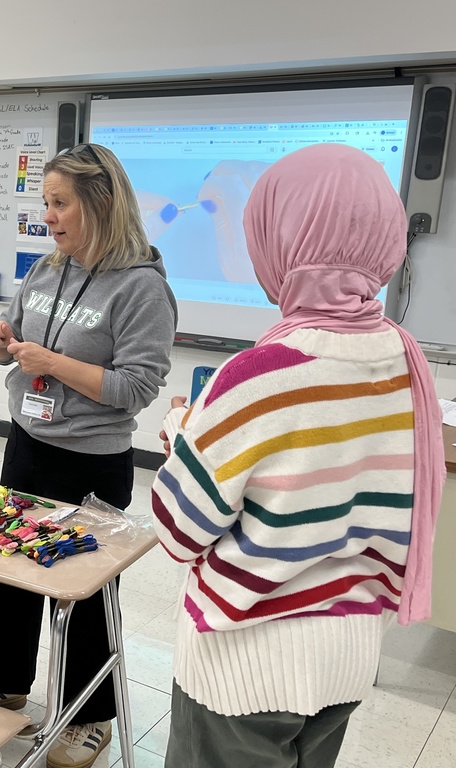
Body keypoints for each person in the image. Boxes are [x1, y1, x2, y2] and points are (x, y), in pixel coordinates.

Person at [151, 143, 445, 768]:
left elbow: (179, 532)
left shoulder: (260, 374)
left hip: (246, 665)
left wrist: (184, 435)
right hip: (349, 655)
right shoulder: (405, 362)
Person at [0, 143, 177, 768]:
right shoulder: (45, 268)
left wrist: (53, 363)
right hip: (26, 442)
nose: (49, 217)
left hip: (91, 458)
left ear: (102, 201)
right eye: (46, 203)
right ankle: (4, 684)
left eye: (60, 203)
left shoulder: (143, 288)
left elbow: (138, 388)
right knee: (13, 565)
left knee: (81, 587)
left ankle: (90, 717)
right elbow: (14, 343)